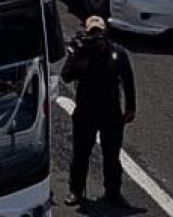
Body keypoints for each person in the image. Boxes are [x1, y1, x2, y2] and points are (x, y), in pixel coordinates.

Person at [60, 15, 136, 208]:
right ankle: (76, 191)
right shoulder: (79, 52)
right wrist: (79, 61)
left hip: (111, 112)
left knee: (111, 155)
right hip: (86, 111)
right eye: (92, 32)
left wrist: (130, 107)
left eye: (98, 33)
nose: (95, 37)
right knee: (81, 154)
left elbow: (128, 80)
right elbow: (66, 76)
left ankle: (113, 192)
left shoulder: (117, 53)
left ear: (105, 32)